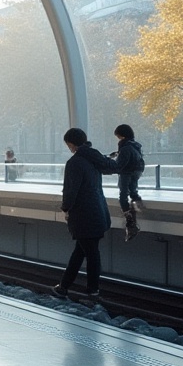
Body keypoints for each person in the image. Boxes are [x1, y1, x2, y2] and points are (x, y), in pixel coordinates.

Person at [53, 128, 118, 299]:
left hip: (83, 215)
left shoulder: (74, 163)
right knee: (81, 251)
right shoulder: (94, 158)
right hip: (98, 212)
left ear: (71, 144)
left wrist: (65, 208)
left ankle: (92, 291)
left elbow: (70, 191)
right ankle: (63, 287)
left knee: (90, 253)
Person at [110, 125, 146, 241]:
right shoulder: (135, 145)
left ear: (122, 136)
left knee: (123, 195)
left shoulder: (125, 148)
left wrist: (109, 165)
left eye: (118, 137)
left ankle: (129, 220)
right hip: (136, 172)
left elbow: (119, 165)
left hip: (126, 172)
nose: (118, 139)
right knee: (133, 191)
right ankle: (138, 204)